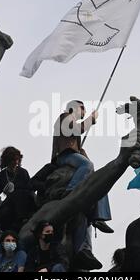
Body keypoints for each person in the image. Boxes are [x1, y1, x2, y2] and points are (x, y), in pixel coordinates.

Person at [52, 100, 113, 234]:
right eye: (82, 108)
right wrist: (91, 118)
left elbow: (77, 145)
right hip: (64, 156)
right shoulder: (65, 117)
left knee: (99, 179)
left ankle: (99, 216)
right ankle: (70, 191)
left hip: (73, 155)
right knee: (87, 165)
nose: (84, 112)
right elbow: (76, 129)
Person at [0, 147, 35, 232]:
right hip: (10, 204)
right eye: (13, 160)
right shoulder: (2, 175)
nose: (16, 162)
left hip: (24, 203)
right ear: (7, 161)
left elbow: (31, 190)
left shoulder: (23, 172)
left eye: (17, 159)